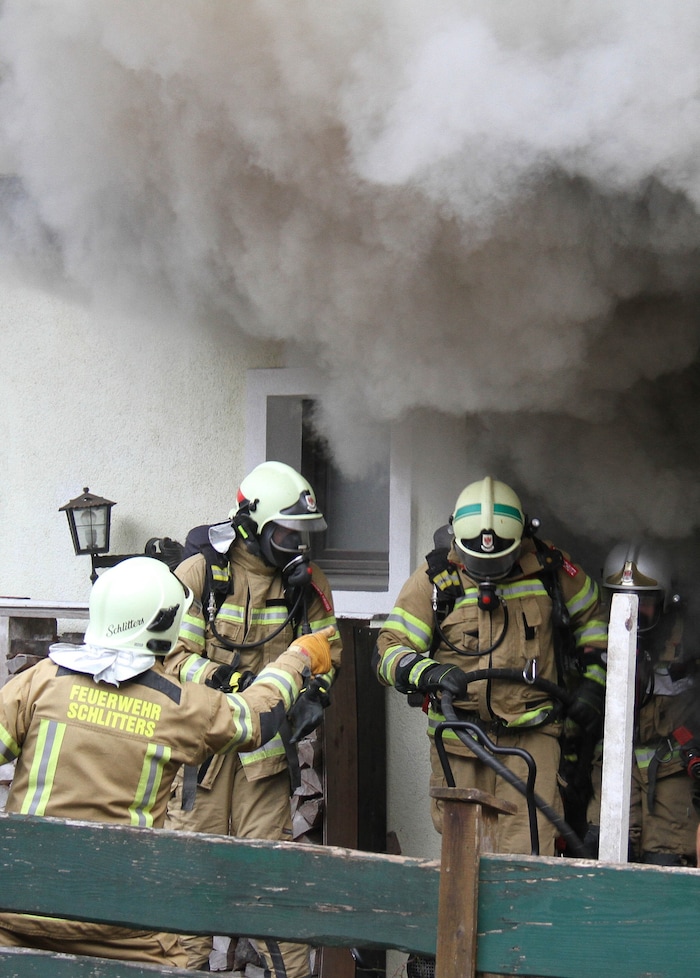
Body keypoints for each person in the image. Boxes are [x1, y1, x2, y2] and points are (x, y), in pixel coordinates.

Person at [0, 556, 334, 967]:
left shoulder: (42, 681)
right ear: (162, 627)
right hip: (122, 925)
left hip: (17, 911)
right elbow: (255, 718)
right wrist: (298, 657)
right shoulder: (176, 707)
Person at [163, 460, 342, 976]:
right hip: (201, 760)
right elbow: (169, 657)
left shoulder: (307, 586)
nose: (299, 547)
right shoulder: (201, 572)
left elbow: (327, 653)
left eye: (305, 535)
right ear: (253, 524)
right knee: (189, 892)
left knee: (272, 890)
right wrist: (235, 685)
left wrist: (313, 696)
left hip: (263, 762)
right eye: (288, 533)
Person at [374, 475, 608, 858]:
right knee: (463, 858)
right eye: (476, 559)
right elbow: (388, 650)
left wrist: (593, 683)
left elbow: (595, 616)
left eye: (499, 559)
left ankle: (523, 921)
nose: (486, 569)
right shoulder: (435, 580)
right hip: (461, 740)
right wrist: (428, 673)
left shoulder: (549, 569)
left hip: (534, 740)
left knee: (528, 855)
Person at [585, 541, 700, 865]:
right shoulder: (595, 635)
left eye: (644, 602)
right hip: (611, 764)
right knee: (602, 851)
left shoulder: (689, 640)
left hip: (672, 767)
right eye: (619, 599)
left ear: (665, 602)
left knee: (664, 860)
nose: (632, 610)